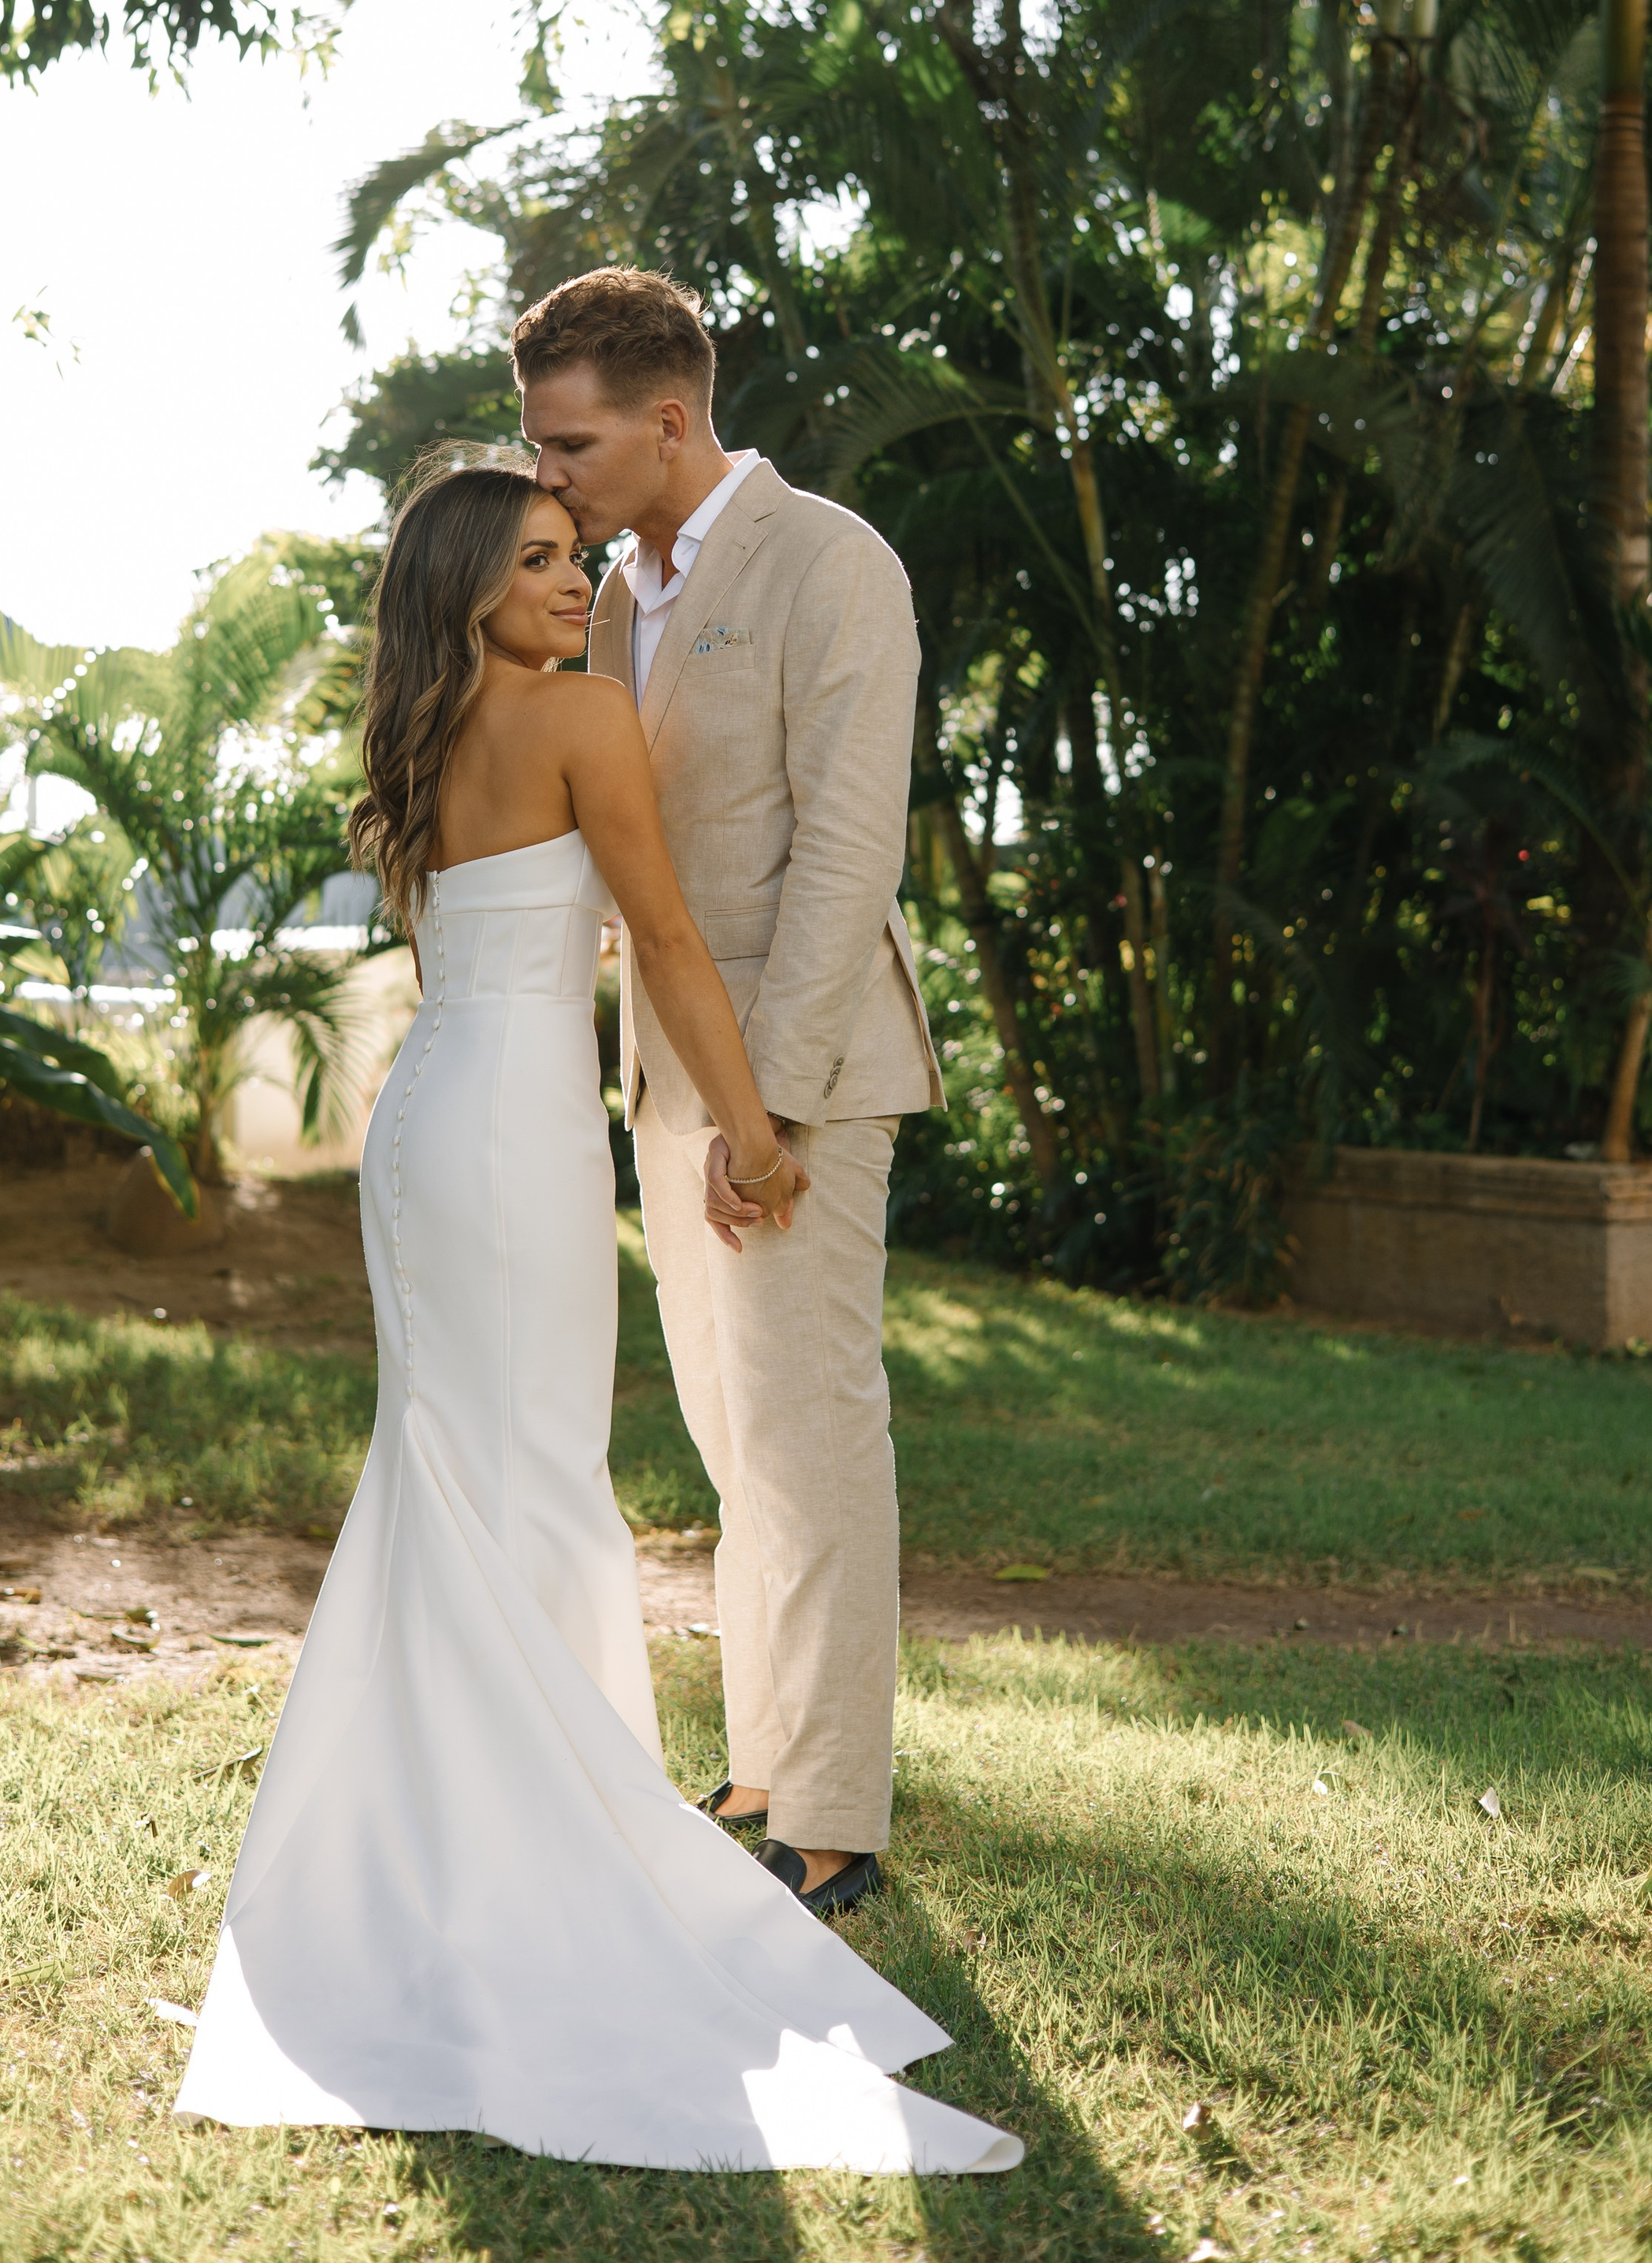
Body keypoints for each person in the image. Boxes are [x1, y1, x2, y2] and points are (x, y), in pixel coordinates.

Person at [174, 448, 1020, 2176]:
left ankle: (436, 1854)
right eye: (548, 561)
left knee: (452, 1479)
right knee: (537, 1475)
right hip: (517, 1142)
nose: (583, 585)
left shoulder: (414, 731)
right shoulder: (575, 720)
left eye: (581, 555)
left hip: (426, 1126)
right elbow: (668, 940)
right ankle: (543, 1854)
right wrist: (758, 1129)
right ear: (475, 581)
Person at [513, 267, 942, 1917]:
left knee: (811, 1435)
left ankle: (832, 1812)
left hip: (803, 1071)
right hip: (666, 1073)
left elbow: (844, 849)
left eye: (572, 442)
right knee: (731, 1440)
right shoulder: (610, 593)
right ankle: (763, 1759)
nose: (547, 474)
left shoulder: (833, 561)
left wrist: (769, 1115)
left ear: (670, 418)